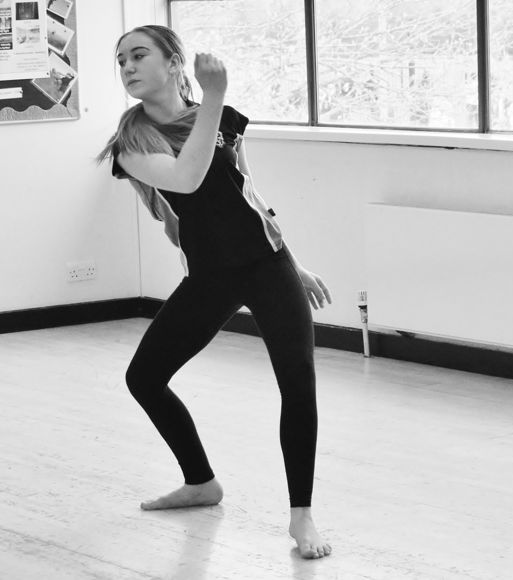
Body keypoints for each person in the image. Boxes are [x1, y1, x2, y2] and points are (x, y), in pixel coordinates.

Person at [97, 25, 333, 559]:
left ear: (173, 62)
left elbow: (250, 194)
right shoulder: (132, 143)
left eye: (139, 55)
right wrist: (215, 97)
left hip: (267, 263)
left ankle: (301, 516)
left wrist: (294, 264)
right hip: (210, 276)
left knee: (298, 383)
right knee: (144, 378)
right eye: (121, 60)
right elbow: (187, 177)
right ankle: (201, 482)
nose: (127, 67)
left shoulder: (224, 119)